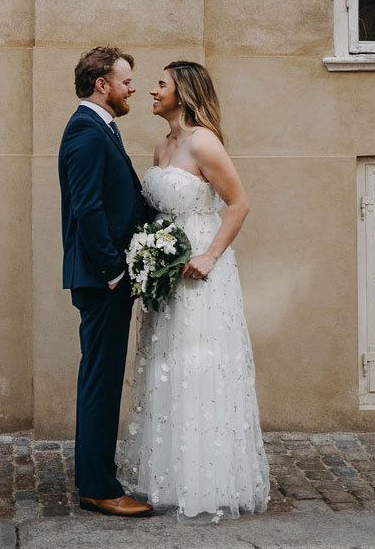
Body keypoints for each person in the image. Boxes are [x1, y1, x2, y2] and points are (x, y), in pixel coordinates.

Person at [122, 60, 269, 518]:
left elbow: (239, 204)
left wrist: (208, 258)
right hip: (166, 274)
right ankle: (167, 473)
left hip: (199, 273)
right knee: (167, 364)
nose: (151, 90)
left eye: (160, 84)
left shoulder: (203, 142)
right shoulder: (162, 144)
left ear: (182, 92)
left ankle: (206, 480)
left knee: (199, 366)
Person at [58, 47, 154, 518]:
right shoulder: (85, 131)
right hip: (103, 282)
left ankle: (98, 474)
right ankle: (98, 487)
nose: (133, 87)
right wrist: (115, 271)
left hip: (108, 278)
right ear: (102, 84)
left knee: (103, 377)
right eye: (126, 80)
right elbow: (87, 208)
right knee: (100, 380)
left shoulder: (102, 129)